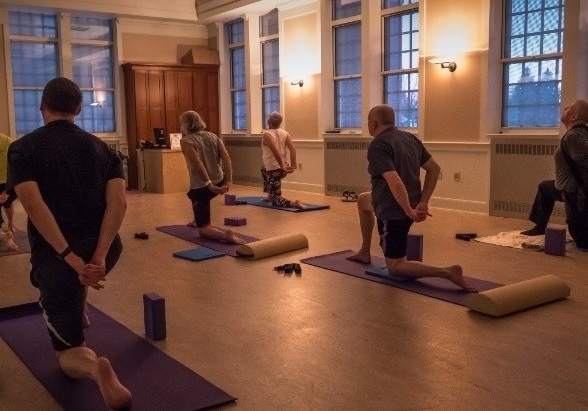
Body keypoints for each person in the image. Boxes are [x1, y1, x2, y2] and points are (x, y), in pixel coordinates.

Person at [7, 77, 131, 409]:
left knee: (67, 352)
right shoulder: (103, 148)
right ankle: (82, 305)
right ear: (78, 109)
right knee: (85, 274)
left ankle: (94, 366)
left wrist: (70, 258)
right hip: (106, 248)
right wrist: (100, 257)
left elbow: (34, 207)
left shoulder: (23, 147)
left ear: (41, 107)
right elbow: (119, 203)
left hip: (58, 259)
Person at [347, 104, 477, 292]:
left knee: (396, 267)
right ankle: (364, 251)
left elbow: (396, 183)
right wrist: (422, 202)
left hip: (393, 211)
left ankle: (448, 272)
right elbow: (434, 169)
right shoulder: (409, 138)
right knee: (363, 201)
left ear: (374, 124)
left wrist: (408, 210)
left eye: (367, 123)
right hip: (406, 202)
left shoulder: (378, 145)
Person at [521, 100, 588, 250]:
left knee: (583, 244)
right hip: (565, 188)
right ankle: (540, 226)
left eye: (569, 108)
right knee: (545, 188)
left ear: (574, 116)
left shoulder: (574, 136)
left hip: (576, 194)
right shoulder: (577, 133)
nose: (564, 108)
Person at [179, 110, 244, 244]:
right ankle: (197, 219)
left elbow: (197, 163)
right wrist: (227, 181)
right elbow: (226, 157)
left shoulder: (186, 141)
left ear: (185, 125)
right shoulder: (213, 136)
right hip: (219, 181)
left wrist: (209, 184)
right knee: (197, 199)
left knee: (203, 230)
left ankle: (226, 235)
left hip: (203, 187)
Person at [261, 111, 305, 209]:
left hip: (275, 169)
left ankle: (294, 204)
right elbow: (293, 148)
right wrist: (293, 165)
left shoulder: (267, 134)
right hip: (278, 169)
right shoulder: (285, 133)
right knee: (263, 169)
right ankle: (269, 195)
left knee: (276, 200)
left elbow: (275, 151)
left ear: (269, 122)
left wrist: (281, 166)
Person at [0, 132, 16, 234]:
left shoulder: (7, 141)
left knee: (7, 204)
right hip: (6, 180)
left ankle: (10, 223)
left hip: (5, 180)